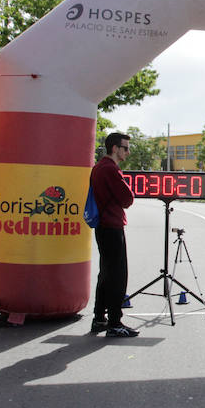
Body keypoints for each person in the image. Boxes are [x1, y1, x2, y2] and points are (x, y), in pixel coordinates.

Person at [90, 132, 137, 337]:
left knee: (106, 274)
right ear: (115, 148)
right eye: (125, 147)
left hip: (103, 226)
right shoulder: (110, 169)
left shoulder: (98, 167)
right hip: (112, 226)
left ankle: (99, 318)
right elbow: (127, 199)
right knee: (117, 275)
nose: (128, 151)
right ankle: (115, 323)